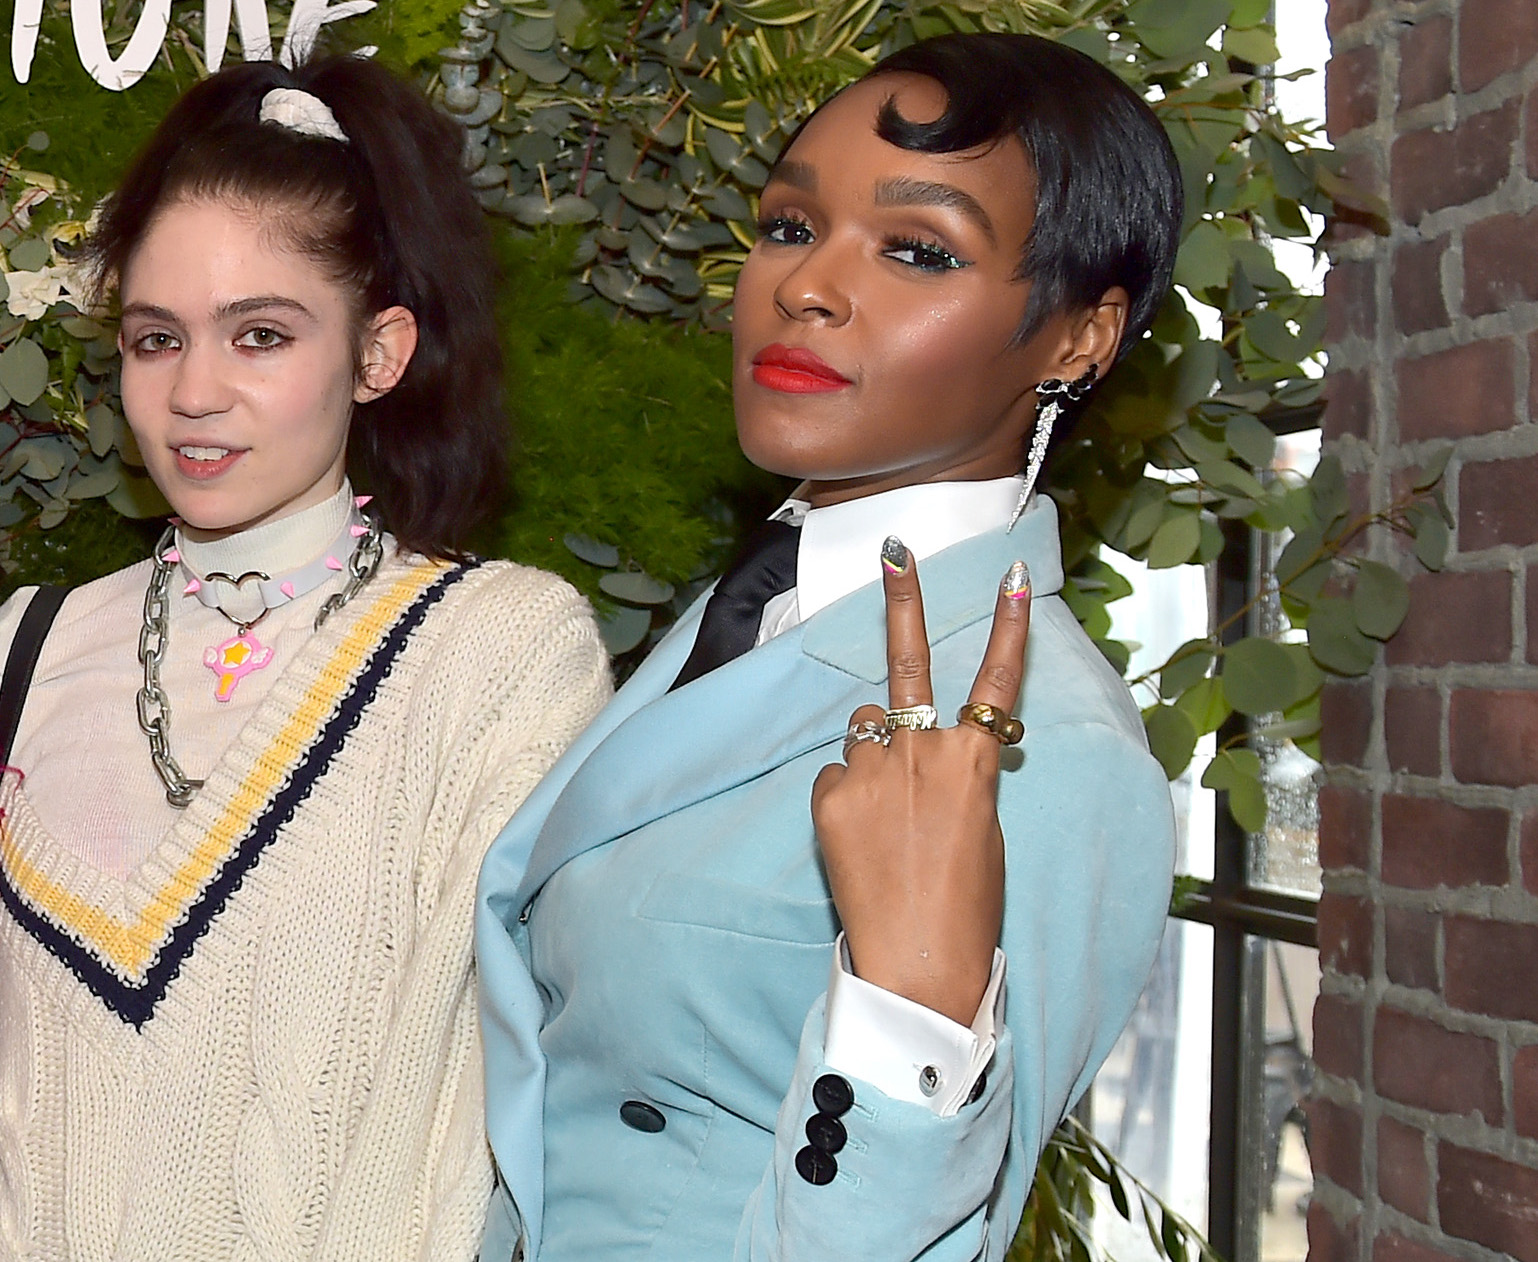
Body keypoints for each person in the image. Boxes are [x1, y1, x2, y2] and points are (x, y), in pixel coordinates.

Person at [477, 30, 1181, 1262]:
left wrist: (911, 1018)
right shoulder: (753, 602)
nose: (804, 284)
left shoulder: (1047, 749)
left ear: (1077, 337)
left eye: (917, 250)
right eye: (790, 225)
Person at [0, 56, 609, 1260]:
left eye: (261, 335)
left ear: (378, 353)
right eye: (156, 338)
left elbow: (509, 1100)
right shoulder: (25, 643)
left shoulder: (499, 654)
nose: (195, 392)